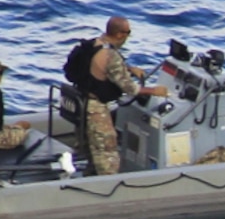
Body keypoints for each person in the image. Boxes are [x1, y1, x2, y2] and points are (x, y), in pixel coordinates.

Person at [70, 16, 168, 176]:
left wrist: (128, 69)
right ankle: (109, 188)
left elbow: (100, 67)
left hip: (81, 101)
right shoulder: (111, 55)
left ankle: (91, 176)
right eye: (128, 32)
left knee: (91, 149)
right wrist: (155, 91)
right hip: (95, 108)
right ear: (120, 34)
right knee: (107, 152)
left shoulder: (95, 43)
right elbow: (131, 89)